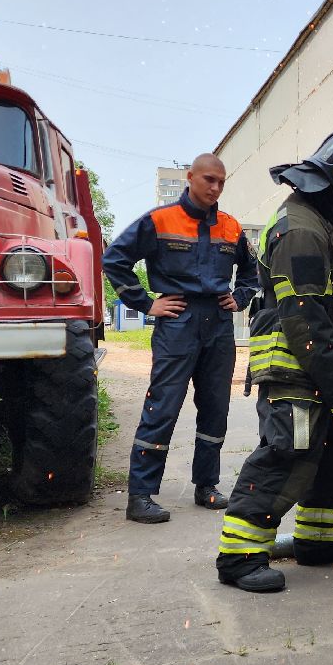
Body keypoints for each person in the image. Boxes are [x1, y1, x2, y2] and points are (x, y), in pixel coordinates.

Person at [215, 129, 333, 593]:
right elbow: (305, 323)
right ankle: (239, 556)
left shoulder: (326, 222)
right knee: (289, 452)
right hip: (295, 363)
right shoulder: (300, 230)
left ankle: (320, 541)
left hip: (319, 358)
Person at [103, 153, 259, 524]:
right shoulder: (160, 220)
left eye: (221, 182)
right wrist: (146, 304)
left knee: (215, 408)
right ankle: (140, 496)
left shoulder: (231, 227)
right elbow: (114, 260)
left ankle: (206, 485)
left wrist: (239, 298)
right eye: (208, 179)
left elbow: (254, 273)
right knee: (163, 407)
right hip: (178, 322)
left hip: (218, 325)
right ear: (190, 177)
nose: (215, 188)